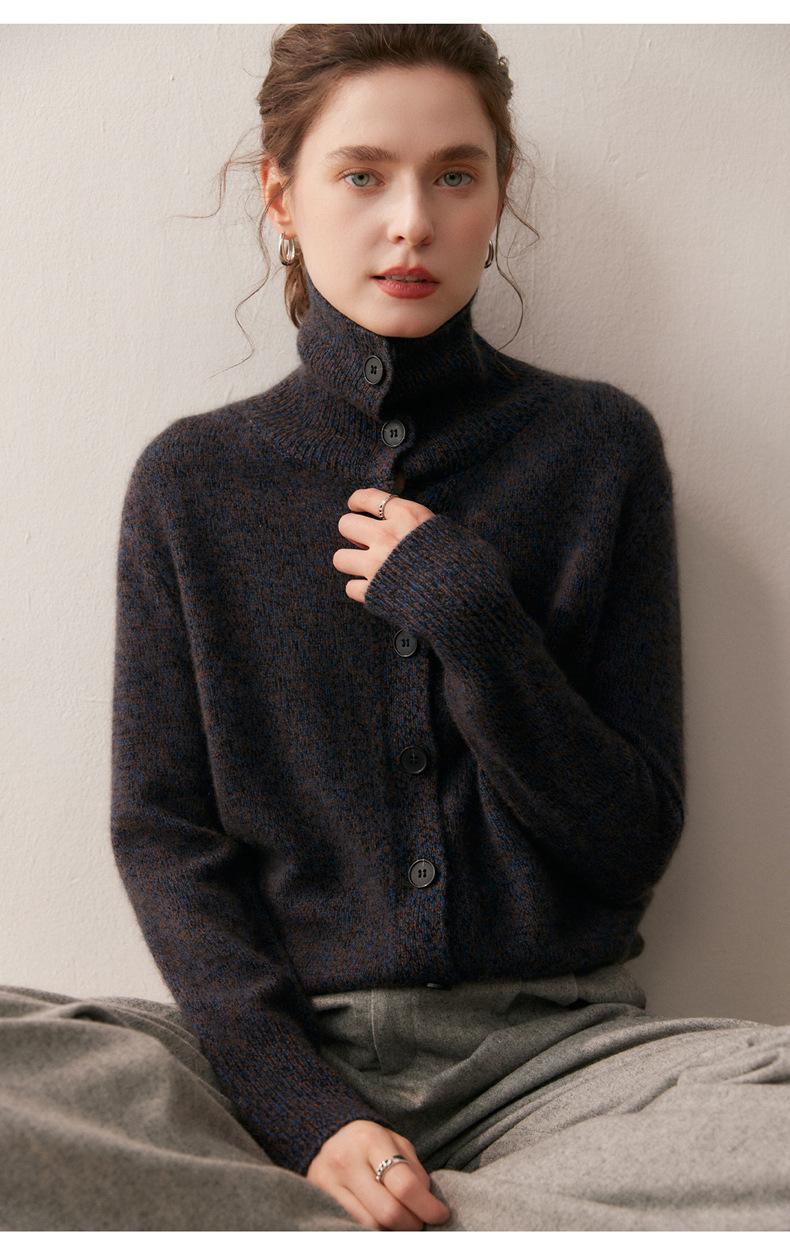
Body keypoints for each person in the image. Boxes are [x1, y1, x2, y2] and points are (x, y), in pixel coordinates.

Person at [4, 23, 788, 1234]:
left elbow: (627, 842)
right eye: (362, 175)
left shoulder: (597, 451)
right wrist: (306, 1113)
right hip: (267, 1070)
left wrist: (476, 623)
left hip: (562, 1066)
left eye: (454, 175)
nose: (411, 222)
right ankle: (421, 1203)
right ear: (282, 195)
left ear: (498, 195)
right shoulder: (192, 483)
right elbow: (164, 837)